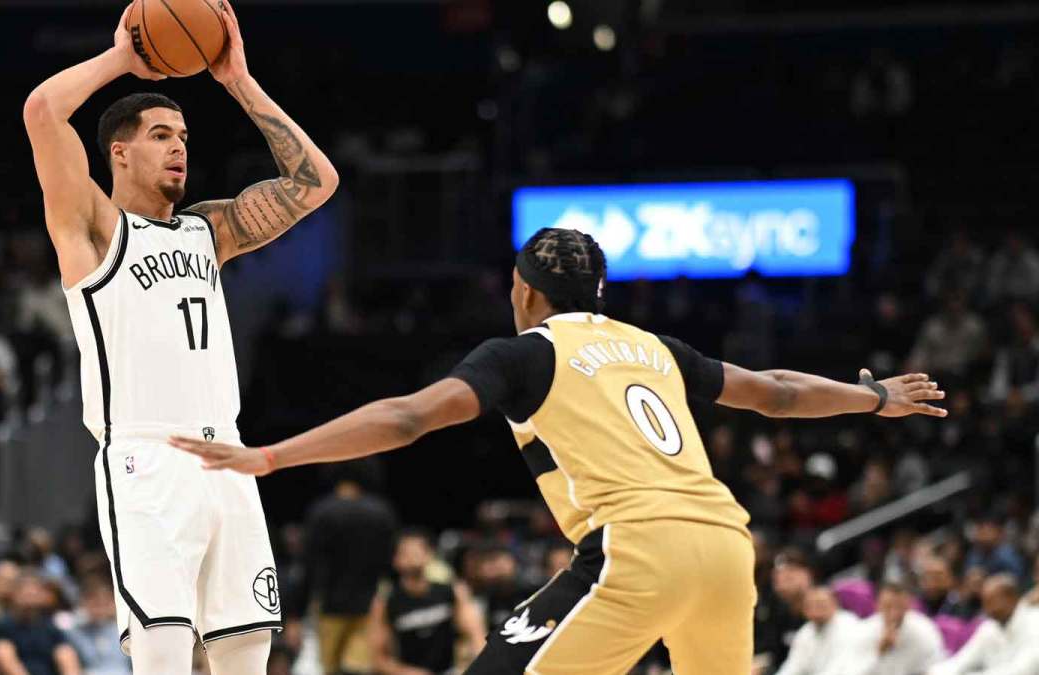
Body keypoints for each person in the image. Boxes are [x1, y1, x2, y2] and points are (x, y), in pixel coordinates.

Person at [172, 227, 947, 674]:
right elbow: (776, 392)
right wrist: (872, 397)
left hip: (636, 549)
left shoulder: (527, 353)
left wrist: (270, 456)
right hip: (725, 545)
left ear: (524, 292)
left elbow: (409, 418)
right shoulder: (655, 347)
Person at [21, 0, 338, 670]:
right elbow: (43, 113)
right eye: (162, 134)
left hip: (228, 455)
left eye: (185, 137)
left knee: (248, 651)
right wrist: (122, 59)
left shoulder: (208, 231)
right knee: (163, 651)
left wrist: (238, 80)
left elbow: (316, 183)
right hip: (145, 458)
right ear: (119, 150)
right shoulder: (95, 229)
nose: (178, 148)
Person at [289, 461, 397, 675]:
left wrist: (295, 614)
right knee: (359, 669)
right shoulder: (382, 513)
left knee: (330, 669)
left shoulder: (321, 512)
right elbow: (390, 564)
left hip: (329, 606)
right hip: (369, 606)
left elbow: (309, 568)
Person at [368, 529, 486, 675]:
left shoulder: (452, 592)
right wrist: (409, 672)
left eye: (418, 550)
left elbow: (476, 636)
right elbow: (378, 660)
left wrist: (478, 666)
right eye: (406, 552)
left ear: (430, 555)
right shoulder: (385, 604)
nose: (413, 557)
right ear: (395, 560)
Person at [929, 574, 1039, 674]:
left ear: (1011, 598)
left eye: (992, 601)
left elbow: (1022, 672)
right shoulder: (989, 627)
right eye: (985, 602)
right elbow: (960, 661)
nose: (988, 609)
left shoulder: (1035, 623)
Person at [0, 573, 81, 675]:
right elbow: (4, 658)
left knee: (66, 653)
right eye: (25, 592)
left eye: (35, 592)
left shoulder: (49, 627)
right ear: (13, 593)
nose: (31, 595)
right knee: (2, 650)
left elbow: (66, 654)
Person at [845, 583, 945, 675]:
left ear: (908, 606)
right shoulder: (862, 631)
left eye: (899, 607)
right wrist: (879, 652)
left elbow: (936, 667)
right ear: (877, 606)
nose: (894, 613)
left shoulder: (925, 629)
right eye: (888, 607)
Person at [775, 586, 860, 675]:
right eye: (810, 605)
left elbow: (842, 667)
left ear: (834, 604)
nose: (816, 610)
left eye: (821, 604)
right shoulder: (805, 631)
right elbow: (793, 665)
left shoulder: (849, 626)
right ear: (804, 610)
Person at [67, 576, 132, 675]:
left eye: (105, 603)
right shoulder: (74, 632)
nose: (100, 608)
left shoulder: (127, 630)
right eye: (95, 603)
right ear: (83, 604)